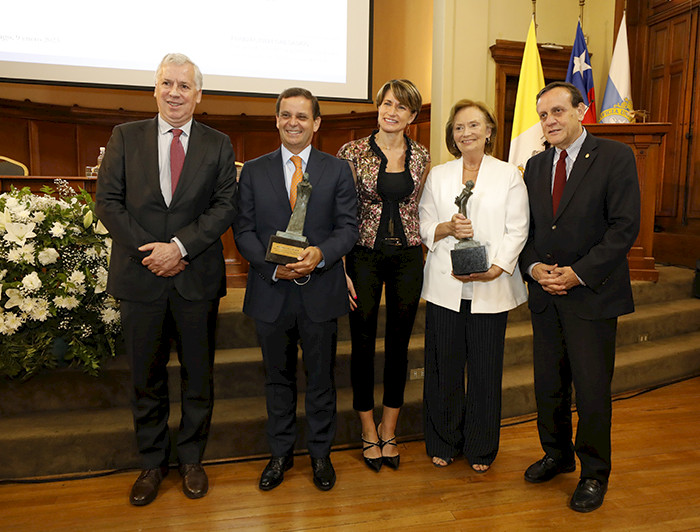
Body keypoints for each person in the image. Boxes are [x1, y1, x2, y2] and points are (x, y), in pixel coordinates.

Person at [95, 53, 238, 506]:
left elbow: (224, 206)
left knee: (198, 376)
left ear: (199, 94)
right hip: (141, 279)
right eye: (167, 84)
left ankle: (191, 459)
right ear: (154, 89)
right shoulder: (124, 136)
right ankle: (152, 463)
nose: (174, 92)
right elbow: (109, 202)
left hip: (195, 277)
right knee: (146, 377)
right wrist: (152, 252)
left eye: (184, 85)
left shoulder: (218, 144)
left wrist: (178, 248)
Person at [519, 81, 640, 512]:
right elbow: (528, 231)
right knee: (548, 386)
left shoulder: (615, 157)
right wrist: (534, 268)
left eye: (557, 111)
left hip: (592, 295)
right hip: (546, 295)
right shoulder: (534, 167)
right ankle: (556, 454)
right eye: (543, 115)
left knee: (590, 391)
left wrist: (577, 274)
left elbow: (624, 228)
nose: (549, 121)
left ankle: (593, 473)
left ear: (581, 110)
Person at [233, 88, 358, 492]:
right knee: (277, 379)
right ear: (276, 120)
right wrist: (274, 265)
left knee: (321, 379)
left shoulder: (337, 170)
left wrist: (320, 255)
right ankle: (280, 454)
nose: (293, 122)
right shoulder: (252, 170)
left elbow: (348, 229)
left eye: (302, 116)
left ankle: (320, 454)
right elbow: (244, 231)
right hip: (271, 293)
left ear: (316, 123)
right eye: (286, 115)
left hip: (320, 291)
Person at [419, 99, 529, 472]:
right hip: (444, 288)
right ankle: (443, 441)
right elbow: (424, 224)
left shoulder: (509, 174)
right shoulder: (438, 175)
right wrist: (446, 228)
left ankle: (481, 448)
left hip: (491, 288)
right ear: (452, 136)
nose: (466, 133)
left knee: (484, 371)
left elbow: (518, 228)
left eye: (473, 126)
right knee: (443, 368)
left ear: (489, 131)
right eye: (458, 128)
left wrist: (497, 268)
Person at [336, 79, 430, 472]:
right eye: (386, 104)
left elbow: (422, 209)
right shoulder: (351, 152)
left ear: (411, 117)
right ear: (378, 107)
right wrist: (339, 267)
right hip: (363, 257)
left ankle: (390, 427)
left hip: (408, 258)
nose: (391, 112)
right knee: (362, 343)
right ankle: (367, 428)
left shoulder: (422, 156)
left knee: (399, 344)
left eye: (401, 108)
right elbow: (337, 212)